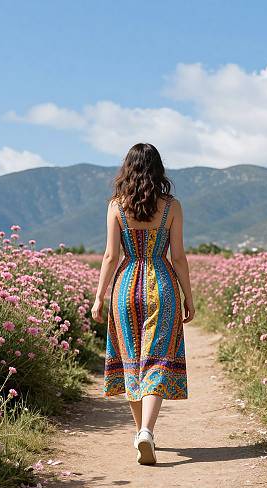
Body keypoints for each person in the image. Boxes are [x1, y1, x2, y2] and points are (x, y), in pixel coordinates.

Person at [91, 143, 195, 465]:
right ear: (158, 170)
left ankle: (141, 432)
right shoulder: (172, 206)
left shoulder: (116, 206)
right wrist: (188, 296)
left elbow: (111, 256)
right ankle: (146, 431)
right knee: (158, 359)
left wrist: (98, 297)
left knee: (131, 361)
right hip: (161, 285)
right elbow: (177, 256)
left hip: (125, 287)